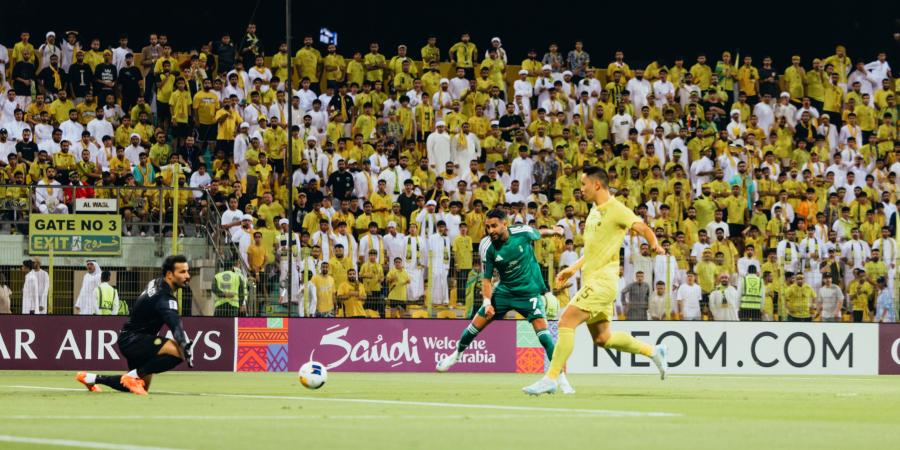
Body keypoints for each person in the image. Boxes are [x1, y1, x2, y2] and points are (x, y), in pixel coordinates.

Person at [523, 167, 667, 396]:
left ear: (596, 185)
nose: (580, 189)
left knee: (565, 322)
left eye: (583, 184)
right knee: (603, 338)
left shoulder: (616, 209)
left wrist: (654, 244)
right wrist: (572, 268)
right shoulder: (593, 212)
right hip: (591, 279)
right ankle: (653, 351)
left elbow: (642, 227)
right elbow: (592, 251)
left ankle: (551, 378)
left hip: (603, 282)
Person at [437, 208, 573, 391]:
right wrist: (487, 303)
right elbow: (486, 279)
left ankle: (561, 380)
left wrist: (554, 231)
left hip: (529, 292)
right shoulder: (486, 246)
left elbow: (538, 233)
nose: (490, 230)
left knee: (544, 336)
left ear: (505, 224)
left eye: (494, 226)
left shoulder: (522, 232)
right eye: (487, 227)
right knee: (475, 325)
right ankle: (456, 354)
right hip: (504, 291)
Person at [75, 255, 194, 395]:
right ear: (169, 274)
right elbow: (175, 324)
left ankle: (90, 378)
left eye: (187, 271)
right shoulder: (165, 299)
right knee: (179, 352)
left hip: (131, 339)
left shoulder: (156, 282)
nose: (187, 276)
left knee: (141, 386)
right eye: (182, 272)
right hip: (134, 340)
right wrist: (183, 343)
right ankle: (133, 376)